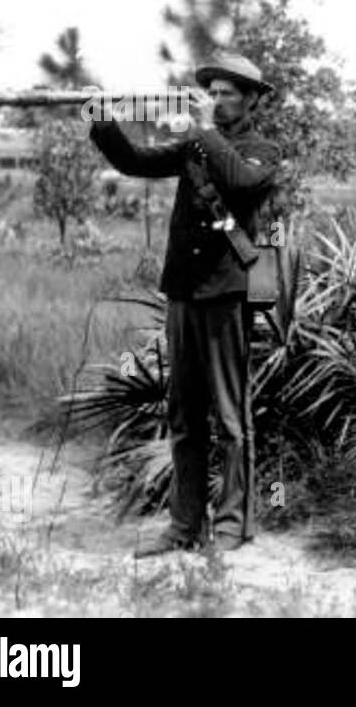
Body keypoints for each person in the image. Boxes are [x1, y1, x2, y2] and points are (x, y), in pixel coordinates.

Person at [89, 52, 282, 556]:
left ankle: (233, 527)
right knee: (185, 417)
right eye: (211, 93)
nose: (217, 101)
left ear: (251, 101)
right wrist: (100, 118)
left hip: (225, 295)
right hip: (184, 293)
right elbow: (135, 161)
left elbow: (240, 182)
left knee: (232, 420)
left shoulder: (263, 149)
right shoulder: (197, 145)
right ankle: (184, 527)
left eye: (227, 94)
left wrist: (201, 127)